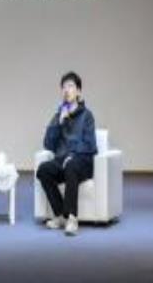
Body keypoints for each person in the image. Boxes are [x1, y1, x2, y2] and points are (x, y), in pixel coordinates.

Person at [36, 71, 97, 235]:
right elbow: (48, 144)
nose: (66, 90)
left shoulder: (87, 116)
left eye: (70, 86)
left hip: (82, 162)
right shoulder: (59, 115)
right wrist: (59, 122)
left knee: (71, 165)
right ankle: (59, 215)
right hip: (62, 161)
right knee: (43, 170)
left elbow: (91, 145)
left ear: (78, 91)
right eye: (64, 87)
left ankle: (72, 218)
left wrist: (72, 155)